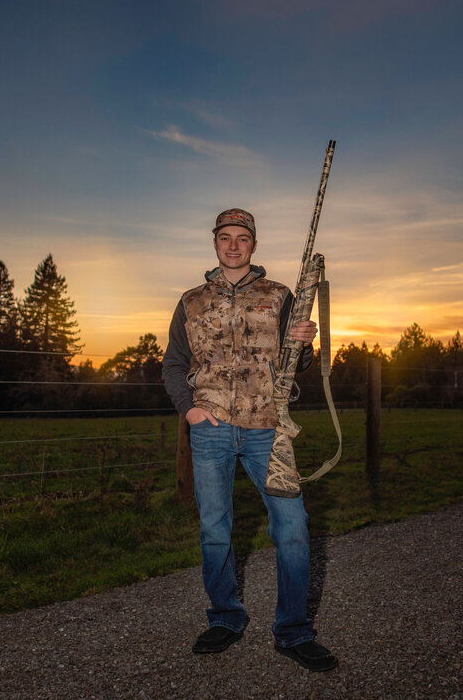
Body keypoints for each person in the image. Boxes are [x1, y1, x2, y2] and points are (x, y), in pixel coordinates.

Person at [162, 208, 338, 672]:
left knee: (293, 529)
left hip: (267, 431)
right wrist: (191, 411)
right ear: (215, 241)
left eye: (243, 238)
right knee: (215, 531)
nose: (234, 245)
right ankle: (225, 618)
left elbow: (293, 366)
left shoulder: (279, 296)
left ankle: (294, 631)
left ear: (254, 244)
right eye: (225, 237)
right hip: (212, 431)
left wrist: (305, 342)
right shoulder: (191, 300)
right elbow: (173, 367)